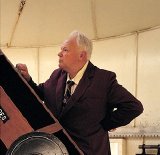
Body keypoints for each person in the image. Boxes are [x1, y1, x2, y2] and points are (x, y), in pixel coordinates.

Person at [16, 31, 143, 155]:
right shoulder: (57, 75)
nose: (59, 53)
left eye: (65, 50)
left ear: (81, 55)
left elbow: (133, 107)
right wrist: (27, 80)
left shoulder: (103, 79)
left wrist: (104, 124)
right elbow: (40, 94)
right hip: (57, 150)